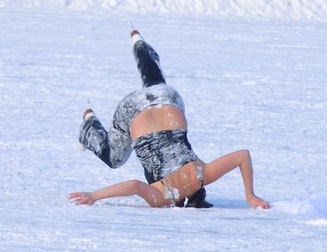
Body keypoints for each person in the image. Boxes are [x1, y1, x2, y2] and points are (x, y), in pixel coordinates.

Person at [69, 30, 270, 210]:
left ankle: (141, 48)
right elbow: (134, 186)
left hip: (169, 100)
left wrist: (249, 195)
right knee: (114, 159)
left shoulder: (202, 174)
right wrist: (93, 196)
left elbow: (243, 155)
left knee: (156, 89)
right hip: (132, 109)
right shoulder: (165, 197)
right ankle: (89, 125)